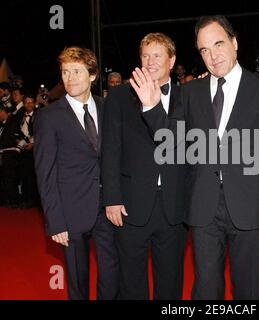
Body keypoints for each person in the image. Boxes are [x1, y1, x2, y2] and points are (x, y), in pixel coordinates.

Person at [130, 15, 259, 299]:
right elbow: (172, 145)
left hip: (250, 205)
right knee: (205, 288)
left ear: (234, 42)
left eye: (218, 45)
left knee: (249, 288)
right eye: (204, 50)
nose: (212, 56)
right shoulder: (190, 92)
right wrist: (153, 108)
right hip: (203, 207)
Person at [101, 33, 187, 300]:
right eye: (145, 56)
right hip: (130, 204)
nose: (150, 62)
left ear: (171, 61)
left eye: (157, 55)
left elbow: (191, 150)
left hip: (175, 206)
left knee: (171, 280)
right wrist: (111, 198)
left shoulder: (190, 97)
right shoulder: (118, 97)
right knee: (131, 281)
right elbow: (110, 151)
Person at [34, 46, 119, 300]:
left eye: (77, 71)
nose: (70, 78)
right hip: (70, 213)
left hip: (108, 209)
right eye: (65, 72)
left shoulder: (108, 108)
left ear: (92, 75)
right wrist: (55, 220)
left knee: (112, 274)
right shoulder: (49, 117)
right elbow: (45, 173)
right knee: (77, 282)